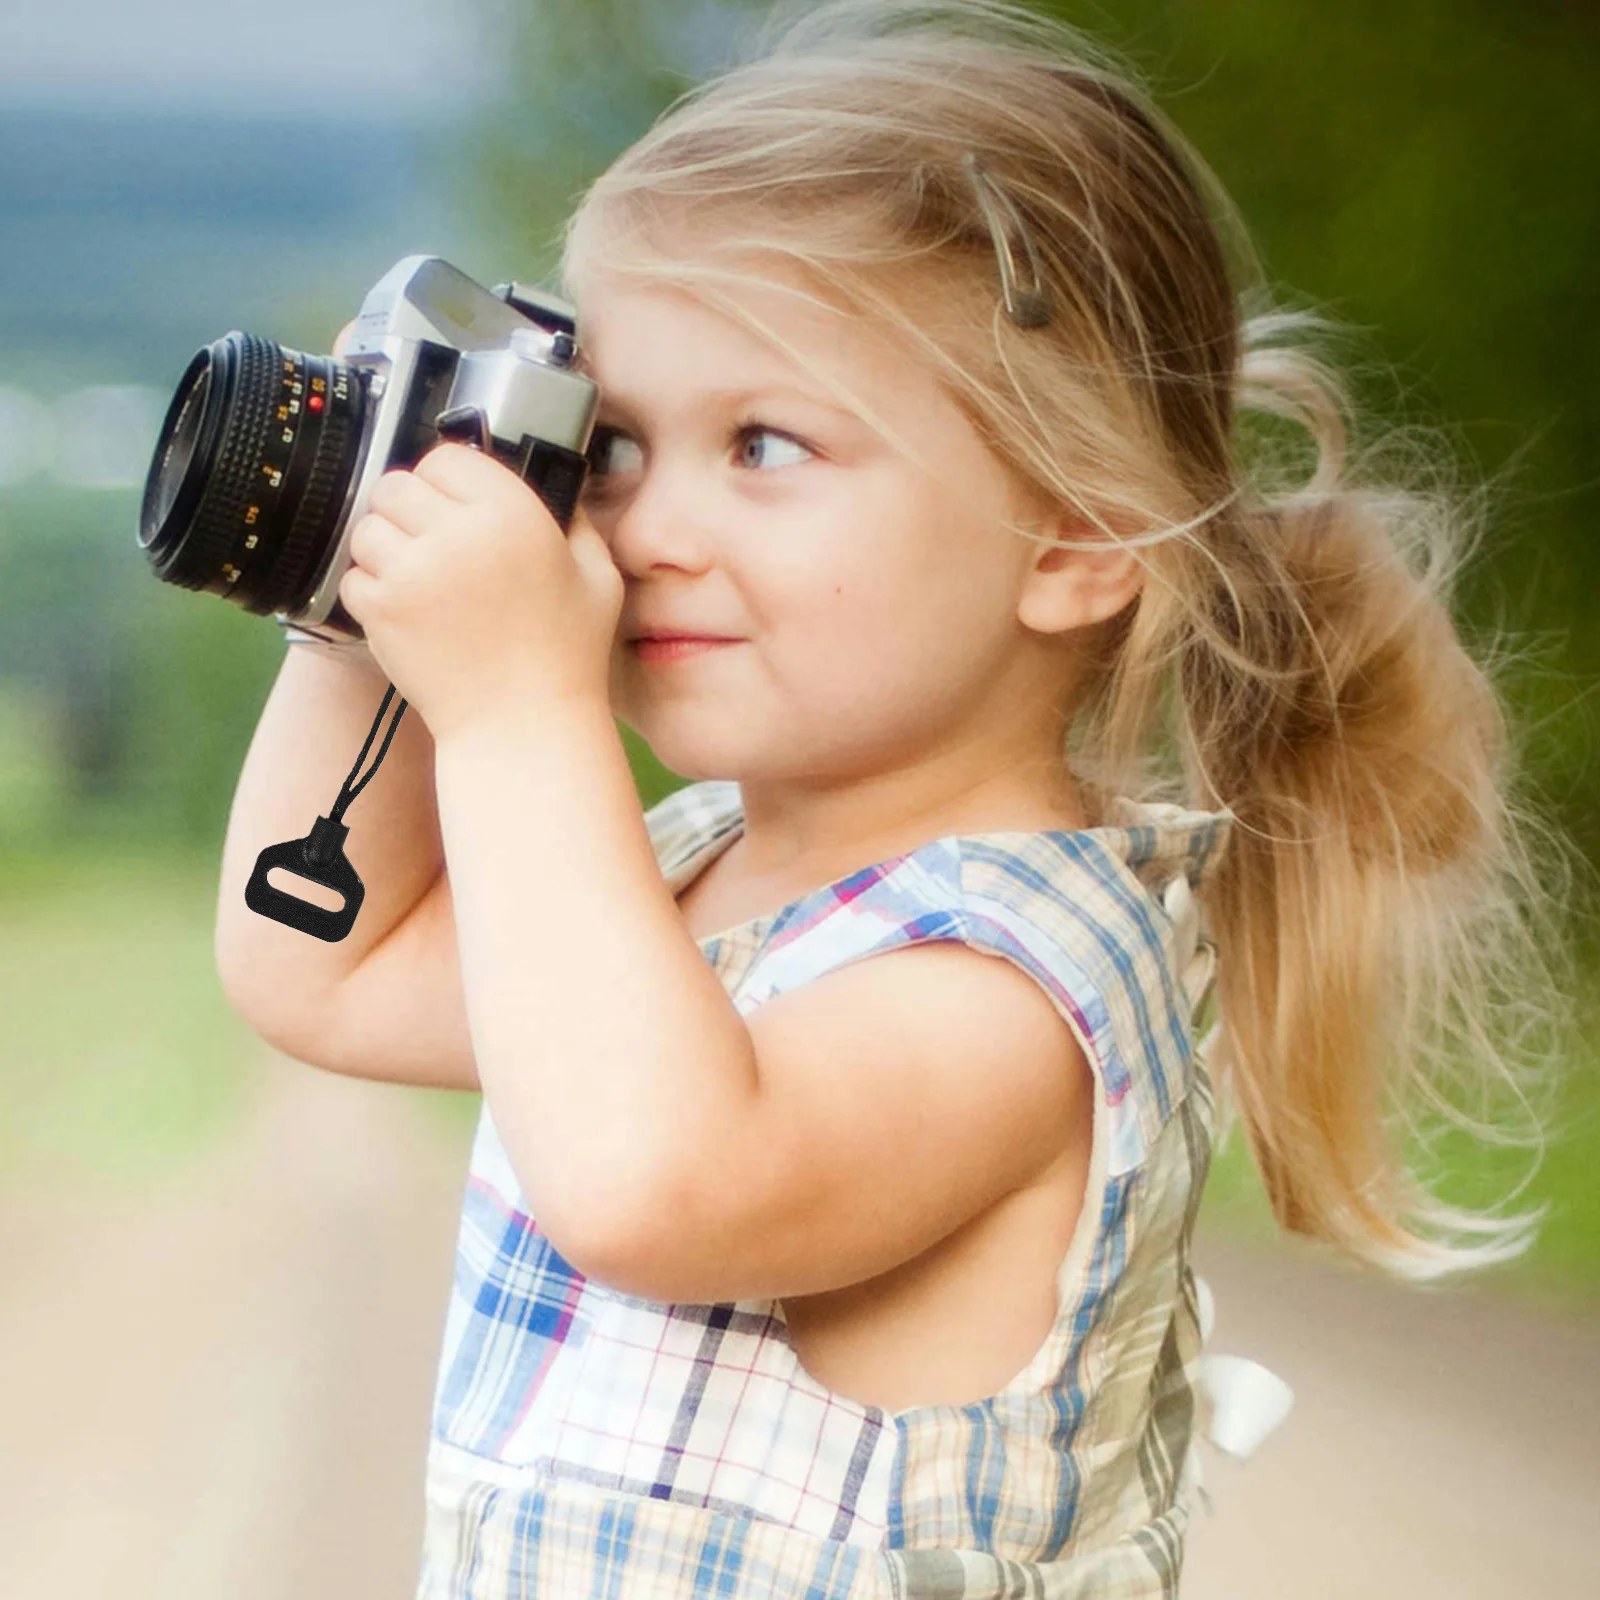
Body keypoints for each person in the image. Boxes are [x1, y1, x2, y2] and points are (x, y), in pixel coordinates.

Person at [212, 2, 1584, 1595]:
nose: (646, 527)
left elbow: (657, 1183)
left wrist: (519, 706)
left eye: (767, 443)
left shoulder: (1016, 979)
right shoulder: (686, 872)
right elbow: (325, 967)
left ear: (1078, 542)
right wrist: (363, 609)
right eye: (621, 445)